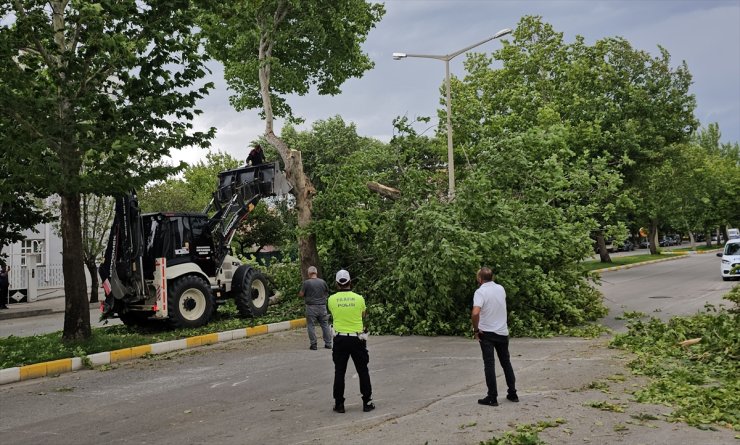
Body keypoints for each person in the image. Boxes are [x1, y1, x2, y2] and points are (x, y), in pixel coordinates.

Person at [327, 269, 374, 413]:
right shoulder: (359, 298)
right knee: (362, 370)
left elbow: (333, 314)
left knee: (339, 371)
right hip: (357, 338)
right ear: (350, 282)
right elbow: (363, 314)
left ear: (337, 283)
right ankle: (367, 402)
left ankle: (339, 404)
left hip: (340, 339)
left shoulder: (331, 299)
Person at [471, 266, 518, 406]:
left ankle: (492, 396)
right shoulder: (500, 288)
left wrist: (475, 330)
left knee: (489, 364)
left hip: (487, 333)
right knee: (506, 363)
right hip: (502, 331)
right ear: (492, 277)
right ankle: (513, 393)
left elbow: (475, 313)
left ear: (479, 278)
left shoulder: (480, 292)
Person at [299, 266, 332, 350]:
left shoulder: (306, 283)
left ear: (309, 273)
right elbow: (326, 292)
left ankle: (314, 344)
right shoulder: (323, 282)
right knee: (325, 325)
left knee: (311, 325)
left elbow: (301, 294)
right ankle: (328, 343)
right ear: (316, 273)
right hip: (322, 307)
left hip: (311, 307)